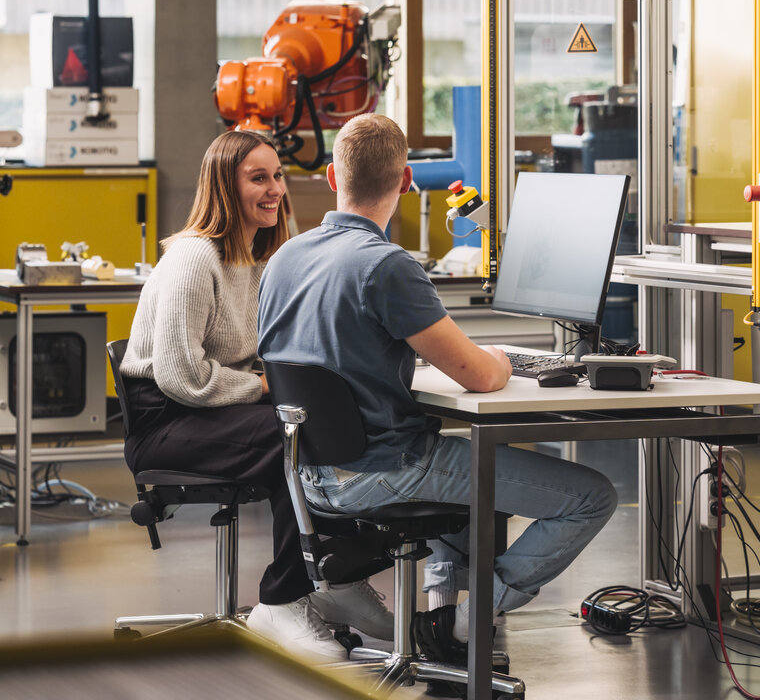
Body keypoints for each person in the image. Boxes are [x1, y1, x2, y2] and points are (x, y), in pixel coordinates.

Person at [257, 113, 617, 662]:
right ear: (405, 182)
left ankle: (443, 621)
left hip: (306, 474)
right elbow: (478, 375)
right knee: (591, 496)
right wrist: (501, 358)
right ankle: (472, 619)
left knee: (467, 472)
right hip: (382, 470)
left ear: (332, 177)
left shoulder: (285, 256)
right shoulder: (386, 266)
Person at [119, 129, 392, 661]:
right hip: (168, 423)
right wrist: (264, 386)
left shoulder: (259, 257)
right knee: (293, 432)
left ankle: (335, 582)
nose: (274, 190)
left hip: (216, 411)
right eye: (257, 178)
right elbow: (181, 375)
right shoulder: (195, 259)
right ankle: (283, 600)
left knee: (334, 422)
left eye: (277, 176)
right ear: (225, 186)